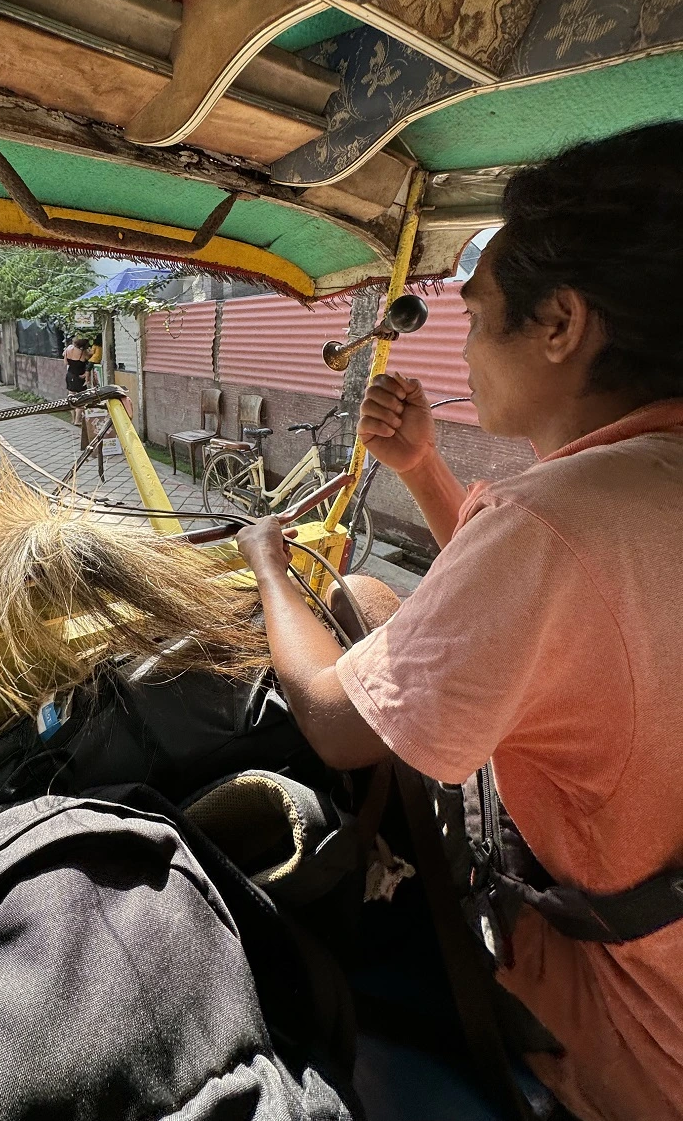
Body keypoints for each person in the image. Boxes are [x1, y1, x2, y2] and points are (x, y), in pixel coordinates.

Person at [237, 123, 683, 1121]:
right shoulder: (623, 492)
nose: (463, 347)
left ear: (560, 320)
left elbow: (331, 714)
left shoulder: (554, 519)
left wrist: (266, 561)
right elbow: (552, 627)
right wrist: (425, 470)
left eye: (478, 319)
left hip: (643, 1037)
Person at [64, 335, 92, 422]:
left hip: (69, 375)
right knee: (81, 398)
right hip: (79, 376)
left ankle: (72, 419)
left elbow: (65, 362)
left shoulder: (68, 349)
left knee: (71, 396)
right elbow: (89, 358)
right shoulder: (83, 352)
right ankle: (77, 420)